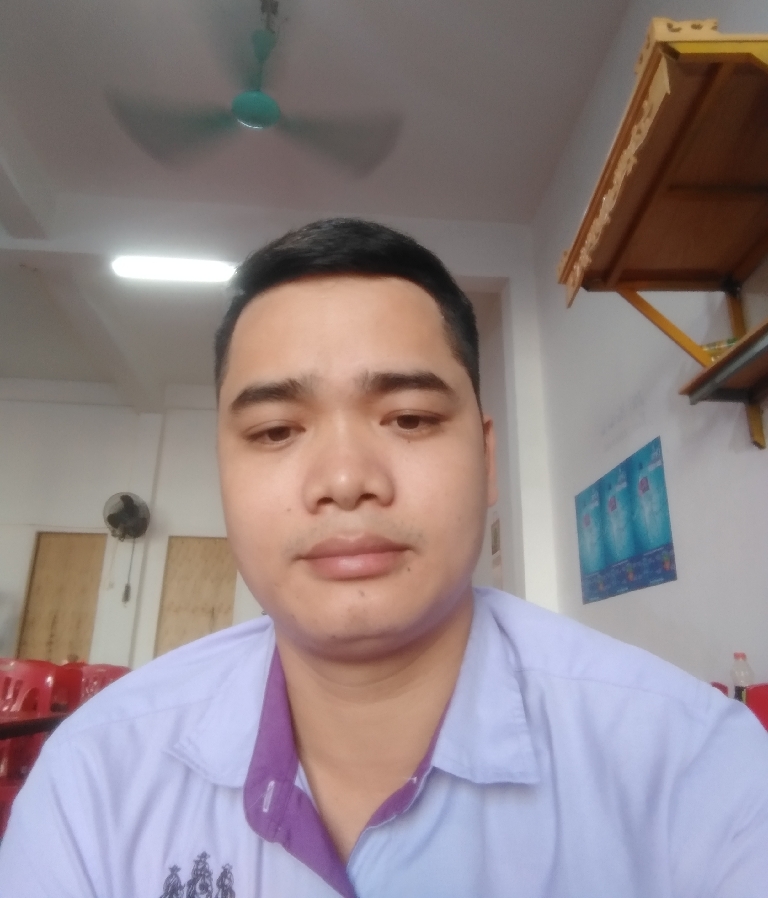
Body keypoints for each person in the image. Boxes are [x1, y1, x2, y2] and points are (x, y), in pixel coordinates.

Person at [1, 218, 767, 898]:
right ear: (223, 475)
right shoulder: (94, 778)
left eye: (409, 418)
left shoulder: (695, 767)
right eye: (275, 431)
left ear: (487, 460)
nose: (345, 481)